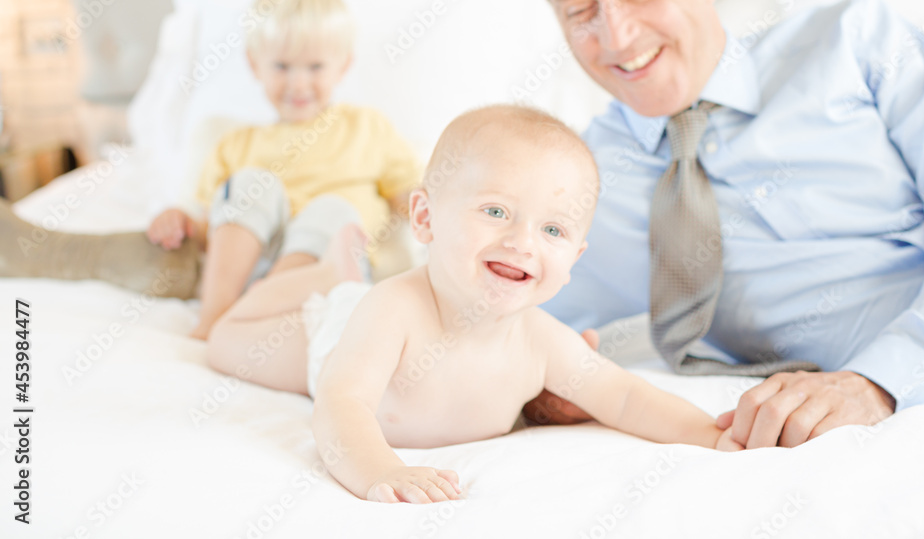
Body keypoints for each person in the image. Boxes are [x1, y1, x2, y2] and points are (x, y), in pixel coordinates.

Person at [516, 0, 924, 448]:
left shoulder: (856, 42)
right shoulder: (568, 180)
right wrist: (529, 390)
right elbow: (474, 314)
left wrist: (881, 381)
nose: (616, 35)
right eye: (579, 11)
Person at [206, 105, 742, 504]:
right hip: (332, 331)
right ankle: (320, 273)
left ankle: (334, 267)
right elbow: (341, 404)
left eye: (552, 228)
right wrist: (380, 471)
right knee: (225, 341)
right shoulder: (394, 309)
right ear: (425, 218)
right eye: (495, 211)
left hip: (359, 314)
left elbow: (624, 397)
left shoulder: (541, 341)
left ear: (575, 255)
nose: (522, 242)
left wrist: (710, 434)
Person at [145, 0, 422, 339]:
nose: (298, 83)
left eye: (315, 66)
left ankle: (249, 317)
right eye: (282, 66)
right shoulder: (235, 144)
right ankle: (215, 319)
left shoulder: (366, 127)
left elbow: (411, 196)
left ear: (343, 66)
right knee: (248, 184)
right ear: (254, 64)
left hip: (326, 271)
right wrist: (179, 221)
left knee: (332, 210)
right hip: (253, 266)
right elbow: (209, 231)